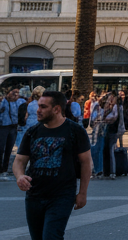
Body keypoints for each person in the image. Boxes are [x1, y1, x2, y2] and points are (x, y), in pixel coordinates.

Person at [14, 90, 92, 240]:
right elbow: (19, 160)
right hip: (34, 195)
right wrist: (19, 176)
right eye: (38, 106)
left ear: (56, 109)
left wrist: (82, 193)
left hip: (62, 195)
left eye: (43, 107)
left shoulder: (75, 131)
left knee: (51, 236)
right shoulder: (32, 132)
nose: (38, 110)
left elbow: (86, 162)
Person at [2, 87, 24, 179]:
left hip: (13, 126)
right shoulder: (4, 101)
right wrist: (6, 98)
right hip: (3, 126)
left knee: (9, 149)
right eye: (13, 93)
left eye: (17, 93)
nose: (15, 95)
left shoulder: (19, 101)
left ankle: (5, 169)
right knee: (1, 148)